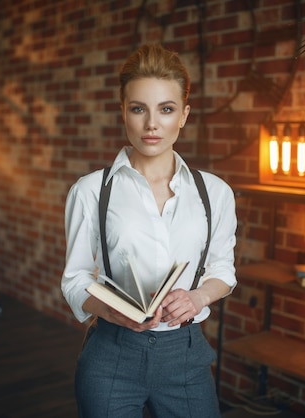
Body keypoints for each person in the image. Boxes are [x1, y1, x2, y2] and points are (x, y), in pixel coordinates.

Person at [61, 43, 237, 418]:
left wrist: (198, 297)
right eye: (139, 109)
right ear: (124, 112)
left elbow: (223, 270)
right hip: (112, 354)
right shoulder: (91, 190)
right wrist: (112, 311)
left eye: (166, 109)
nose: (152, 124)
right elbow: (75, 280)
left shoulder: (215, 193)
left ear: (184, 115)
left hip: (185, 358)